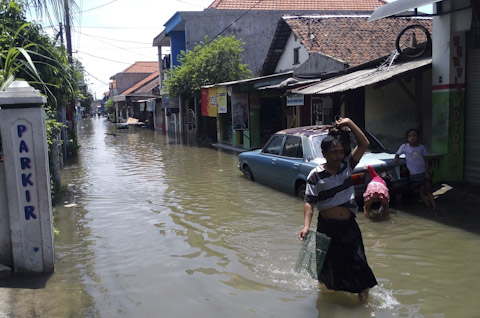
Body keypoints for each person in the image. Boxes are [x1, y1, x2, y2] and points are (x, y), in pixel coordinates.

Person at [298, 117, 377, 301]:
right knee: (328, 266)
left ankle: (363, 297)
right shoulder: (315, 175)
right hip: (326, 227)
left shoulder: (347, 166)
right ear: (324, 153)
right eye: (334, 152)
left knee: (358, 261)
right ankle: (325, 299)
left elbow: (364, 143)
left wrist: (350, 123)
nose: (338, 156)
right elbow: (309, 203)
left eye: (341, 152)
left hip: (349, 225)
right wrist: (305, 226)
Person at [394, 128, 436, 210]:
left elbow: (426, 160)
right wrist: (396, 158)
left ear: (418, 137)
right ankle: (428, 207)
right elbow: (397, 153)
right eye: (410, 136)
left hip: (424, 172)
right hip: (414, 174)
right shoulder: (404, 147)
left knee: (429, 190)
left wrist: (427, 172)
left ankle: (434, 207)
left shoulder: (421, 148)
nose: (412, 138)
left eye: (414, 136)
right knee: (422, 191)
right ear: (407, 138)